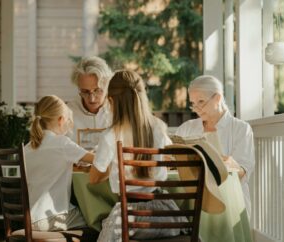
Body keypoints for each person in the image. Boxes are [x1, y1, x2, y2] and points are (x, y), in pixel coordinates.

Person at [90, 70, 186, 241]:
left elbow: (94, 178)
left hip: (130, 220)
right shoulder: (159, 127)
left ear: (111, 101)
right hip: (166, 217)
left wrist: (114, 165)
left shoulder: (111, 135)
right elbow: (168, 159)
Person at [175, 75, 255, 216]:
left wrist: (231, 165)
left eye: (201, 101)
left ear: (217, 98)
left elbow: (244, 171)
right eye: (193, 103)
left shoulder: (241, 128)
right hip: (194, 197)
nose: (196, 108)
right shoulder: (186, 128)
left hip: (229, 199)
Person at [24, 95, 94, 231]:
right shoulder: (62, 143)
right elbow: (98, 160)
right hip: (53, 217)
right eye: (68, 120)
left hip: (30, 219)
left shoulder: (27, 148)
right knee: (96, 222)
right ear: (61, 120)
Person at [67, 56, 113, 142]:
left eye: (97, 90)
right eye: (85, 91)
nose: (91, 99)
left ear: (107, 86)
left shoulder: (117, 111)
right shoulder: (68, 113)